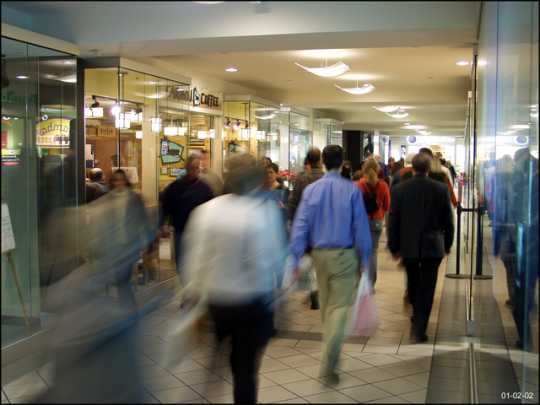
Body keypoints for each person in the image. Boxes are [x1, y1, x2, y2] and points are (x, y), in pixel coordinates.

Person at [181, 153, 288, 404]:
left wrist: (192, 293)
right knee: (245, 372)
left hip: (217, 302)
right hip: (252, 304)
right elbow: (270, 260)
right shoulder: (261, 213)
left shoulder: (206, 211)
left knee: (215, 362)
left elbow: (196, 258)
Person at [290, 145, 372, 384]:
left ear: (324, 162)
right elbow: (361, 228)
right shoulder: (351, 191)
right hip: (344, 256)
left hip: (319, 256)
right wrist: (365, 259)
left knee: (327, 308)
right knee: (339, 309)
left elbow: (301, 224)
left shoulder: (311, 191)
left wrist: (295, 257)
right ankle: (329, 362)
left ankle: (331, 353)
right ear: (342, 163)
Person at [388, 153, 454, 343]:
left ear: (413, 167)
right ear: (428, 168)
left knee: (414, 283)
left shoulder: (400, 189)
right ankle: (420, 326)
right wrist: (448, 243)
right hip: (432, 246)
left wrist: (394, 246)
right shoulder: (440, 189)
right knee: (428, 286)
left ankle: (417, 316)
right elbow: (448, 220)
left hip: (408, 246)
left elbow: (394, 219)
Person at [160, 154, 214, 280]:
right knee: (181, 263)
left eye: (196, 168)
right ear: (186, 168)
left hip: (199, 231)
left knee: (197, 261)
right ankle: (186, 285)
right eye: (191, 168)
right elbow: (166, 206)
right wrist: (162, 224)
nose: (193, 171)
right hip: (180, 230)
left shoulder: (204, 189)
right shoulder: (175, 187)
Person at [288, 148, 325, 310]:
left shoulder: (301, 179)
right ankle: (318, 290)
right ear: (321, 161)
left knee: (309, 259)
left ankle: (313, 290)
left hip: (306, 226)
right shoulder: (327, 179)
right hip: (324, 227)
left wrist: (292, 221)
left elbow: (294, 203)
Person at [357, 158, 391, 287]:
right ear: (378, 170)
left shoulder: (358, 185)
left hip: (361, 222)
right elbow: (387, 206)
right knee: (373, 252)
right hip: (376, 221)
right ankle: (370, 284)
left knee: (359, 251)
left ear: (363, 169)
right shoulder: (383, 185)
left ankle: (361, 281)